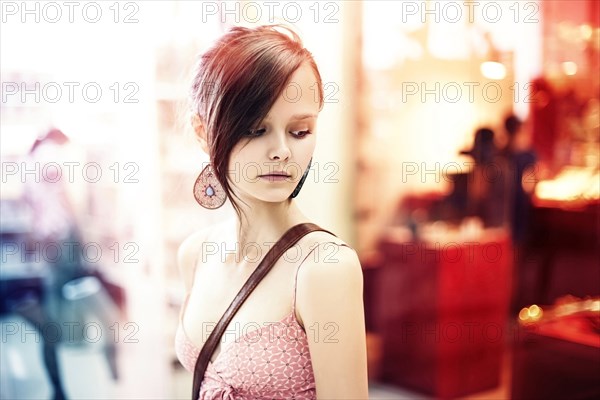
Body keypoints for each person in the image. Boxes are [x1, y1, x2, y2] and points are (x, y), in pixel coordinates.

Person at [174, 25, 369, 399]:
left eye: (299, 131)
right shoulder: (195, 254)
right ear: (203, 131)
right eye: (256, 128)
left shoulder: (324, 268)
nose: (281, 151)